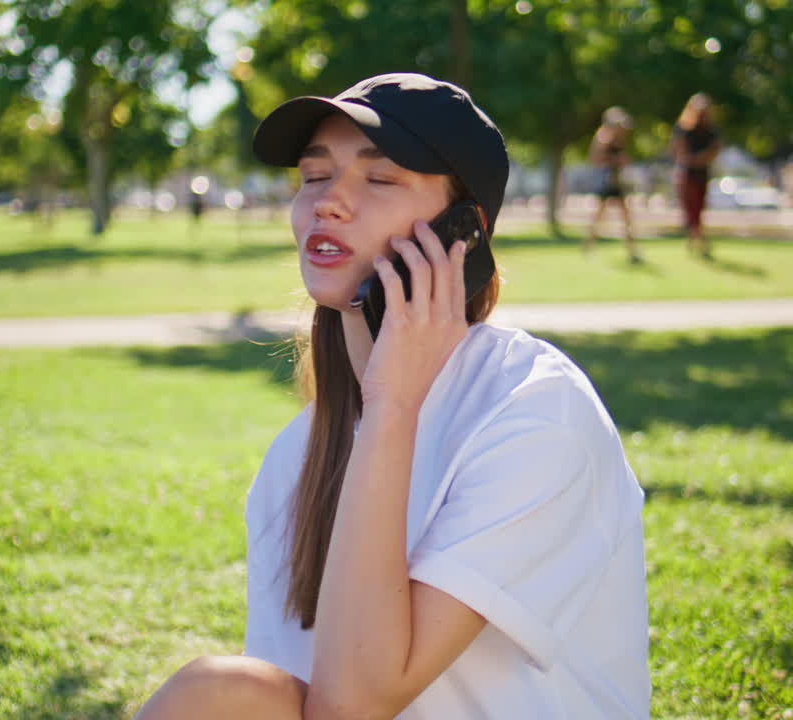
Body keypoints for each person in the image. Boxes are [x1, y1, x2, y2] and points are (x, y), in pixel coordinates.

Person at [134, 73, 649, 720]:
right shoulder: (294, 458)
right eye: (314, 177)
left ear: (464, 231)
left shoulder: (537, 411)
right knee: (215, 697)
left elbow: (355, 703)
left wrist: (393, 406)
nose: (329, 203)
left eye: (379, 180)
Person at [584, 106, 640, 263]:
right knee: (600, 215)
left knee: (625, 215)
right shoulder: (603, 137)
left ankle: (631, 249)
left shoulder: (618, 139)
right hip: (606, 180)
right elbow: (594, 159)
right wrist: (616, 160)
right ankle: (589, 244)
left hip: (616, 180)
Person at [671, 93, 721, 259]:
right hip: (687, 174)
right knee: (691, 210)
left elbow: (714, 150)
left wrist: (701, 159)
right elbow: (680, 152)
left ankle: (694, 240)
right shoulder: (684, 128)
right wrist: (694, 160)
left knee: (699, 209)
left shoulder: (710, 130)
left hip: (702, 173)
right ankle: (699, 241)